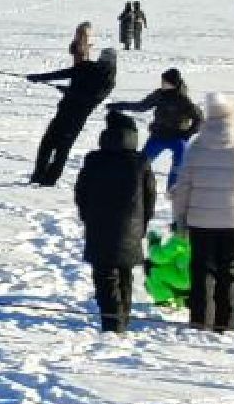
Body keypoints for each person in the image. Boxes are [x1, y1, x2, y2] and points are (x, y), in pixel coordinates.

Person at [170, 93, 234, 332]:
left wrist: (179, 218)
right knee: (229, 272)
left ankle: (200, 321)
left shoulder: (197, 146)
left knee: (202, 271)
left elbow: (183, 187)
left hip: (201, 220)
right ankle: (226, 323)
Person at [73, 110, 155, 332]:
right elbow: (150, 198)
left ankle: (112, 323)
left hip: (99, 226)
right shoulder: (141, 162)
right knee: (125, 272)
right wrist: (142, 225)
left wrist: (87, 216)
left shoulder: (94, 160)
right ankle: (123, 318)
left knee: (105, 274)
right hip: (132, 226)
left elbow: (81, 193)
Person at [27, 48, 120, 187]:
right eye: (103, 57)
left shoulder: (108, 81)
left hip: (77, 118)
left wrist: (69, 91)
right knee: (46, 144)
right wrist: (39, 77)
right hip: (63, 111)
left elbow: (93, 99)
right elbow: (64, 73)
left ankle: (50, 180)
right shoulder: (87, 66)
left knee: (62, 149)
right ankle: (37, 175)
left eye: (107, 59)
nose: (103, 60)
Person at [110, 68, 202, 186]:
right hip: (158, 136)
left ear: (173, 84)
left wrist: (187, 134)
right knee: (141, 164)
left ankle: (173, 191)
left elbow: (199, 118)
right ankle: (131, 184)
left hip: (177, 138)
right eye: (162, 81)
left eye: (165, 82)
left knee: (178, 167)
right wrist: (120, 106)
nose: (162, 84)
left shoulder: (184, 100)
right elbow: (142, 106)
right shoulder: (159, 94)